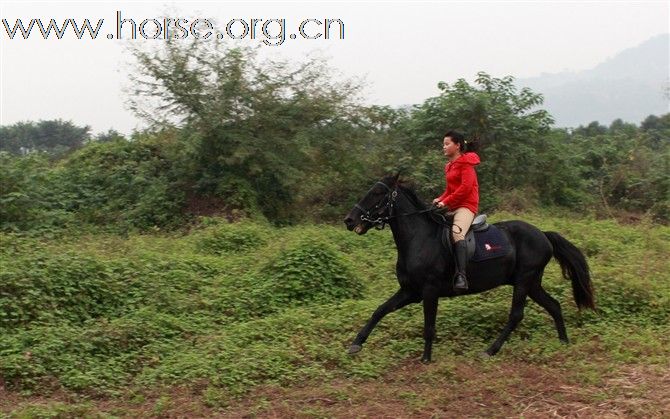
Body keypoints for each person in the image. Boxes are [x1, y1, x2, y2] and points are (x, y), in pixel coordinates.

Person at [432, 130, 480, 291]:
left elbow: (465, 188)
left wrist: (445, 201)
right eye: (443, 144)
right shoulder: (449, 166)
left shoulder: (466, 163)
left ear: (457, 145)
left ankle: (461, 276)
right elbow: (450, 189)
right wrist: (440, 198)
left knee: (457, 233)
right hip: (453, 206)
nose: (443, 147)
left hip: (466, 206)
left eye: (447, 144)